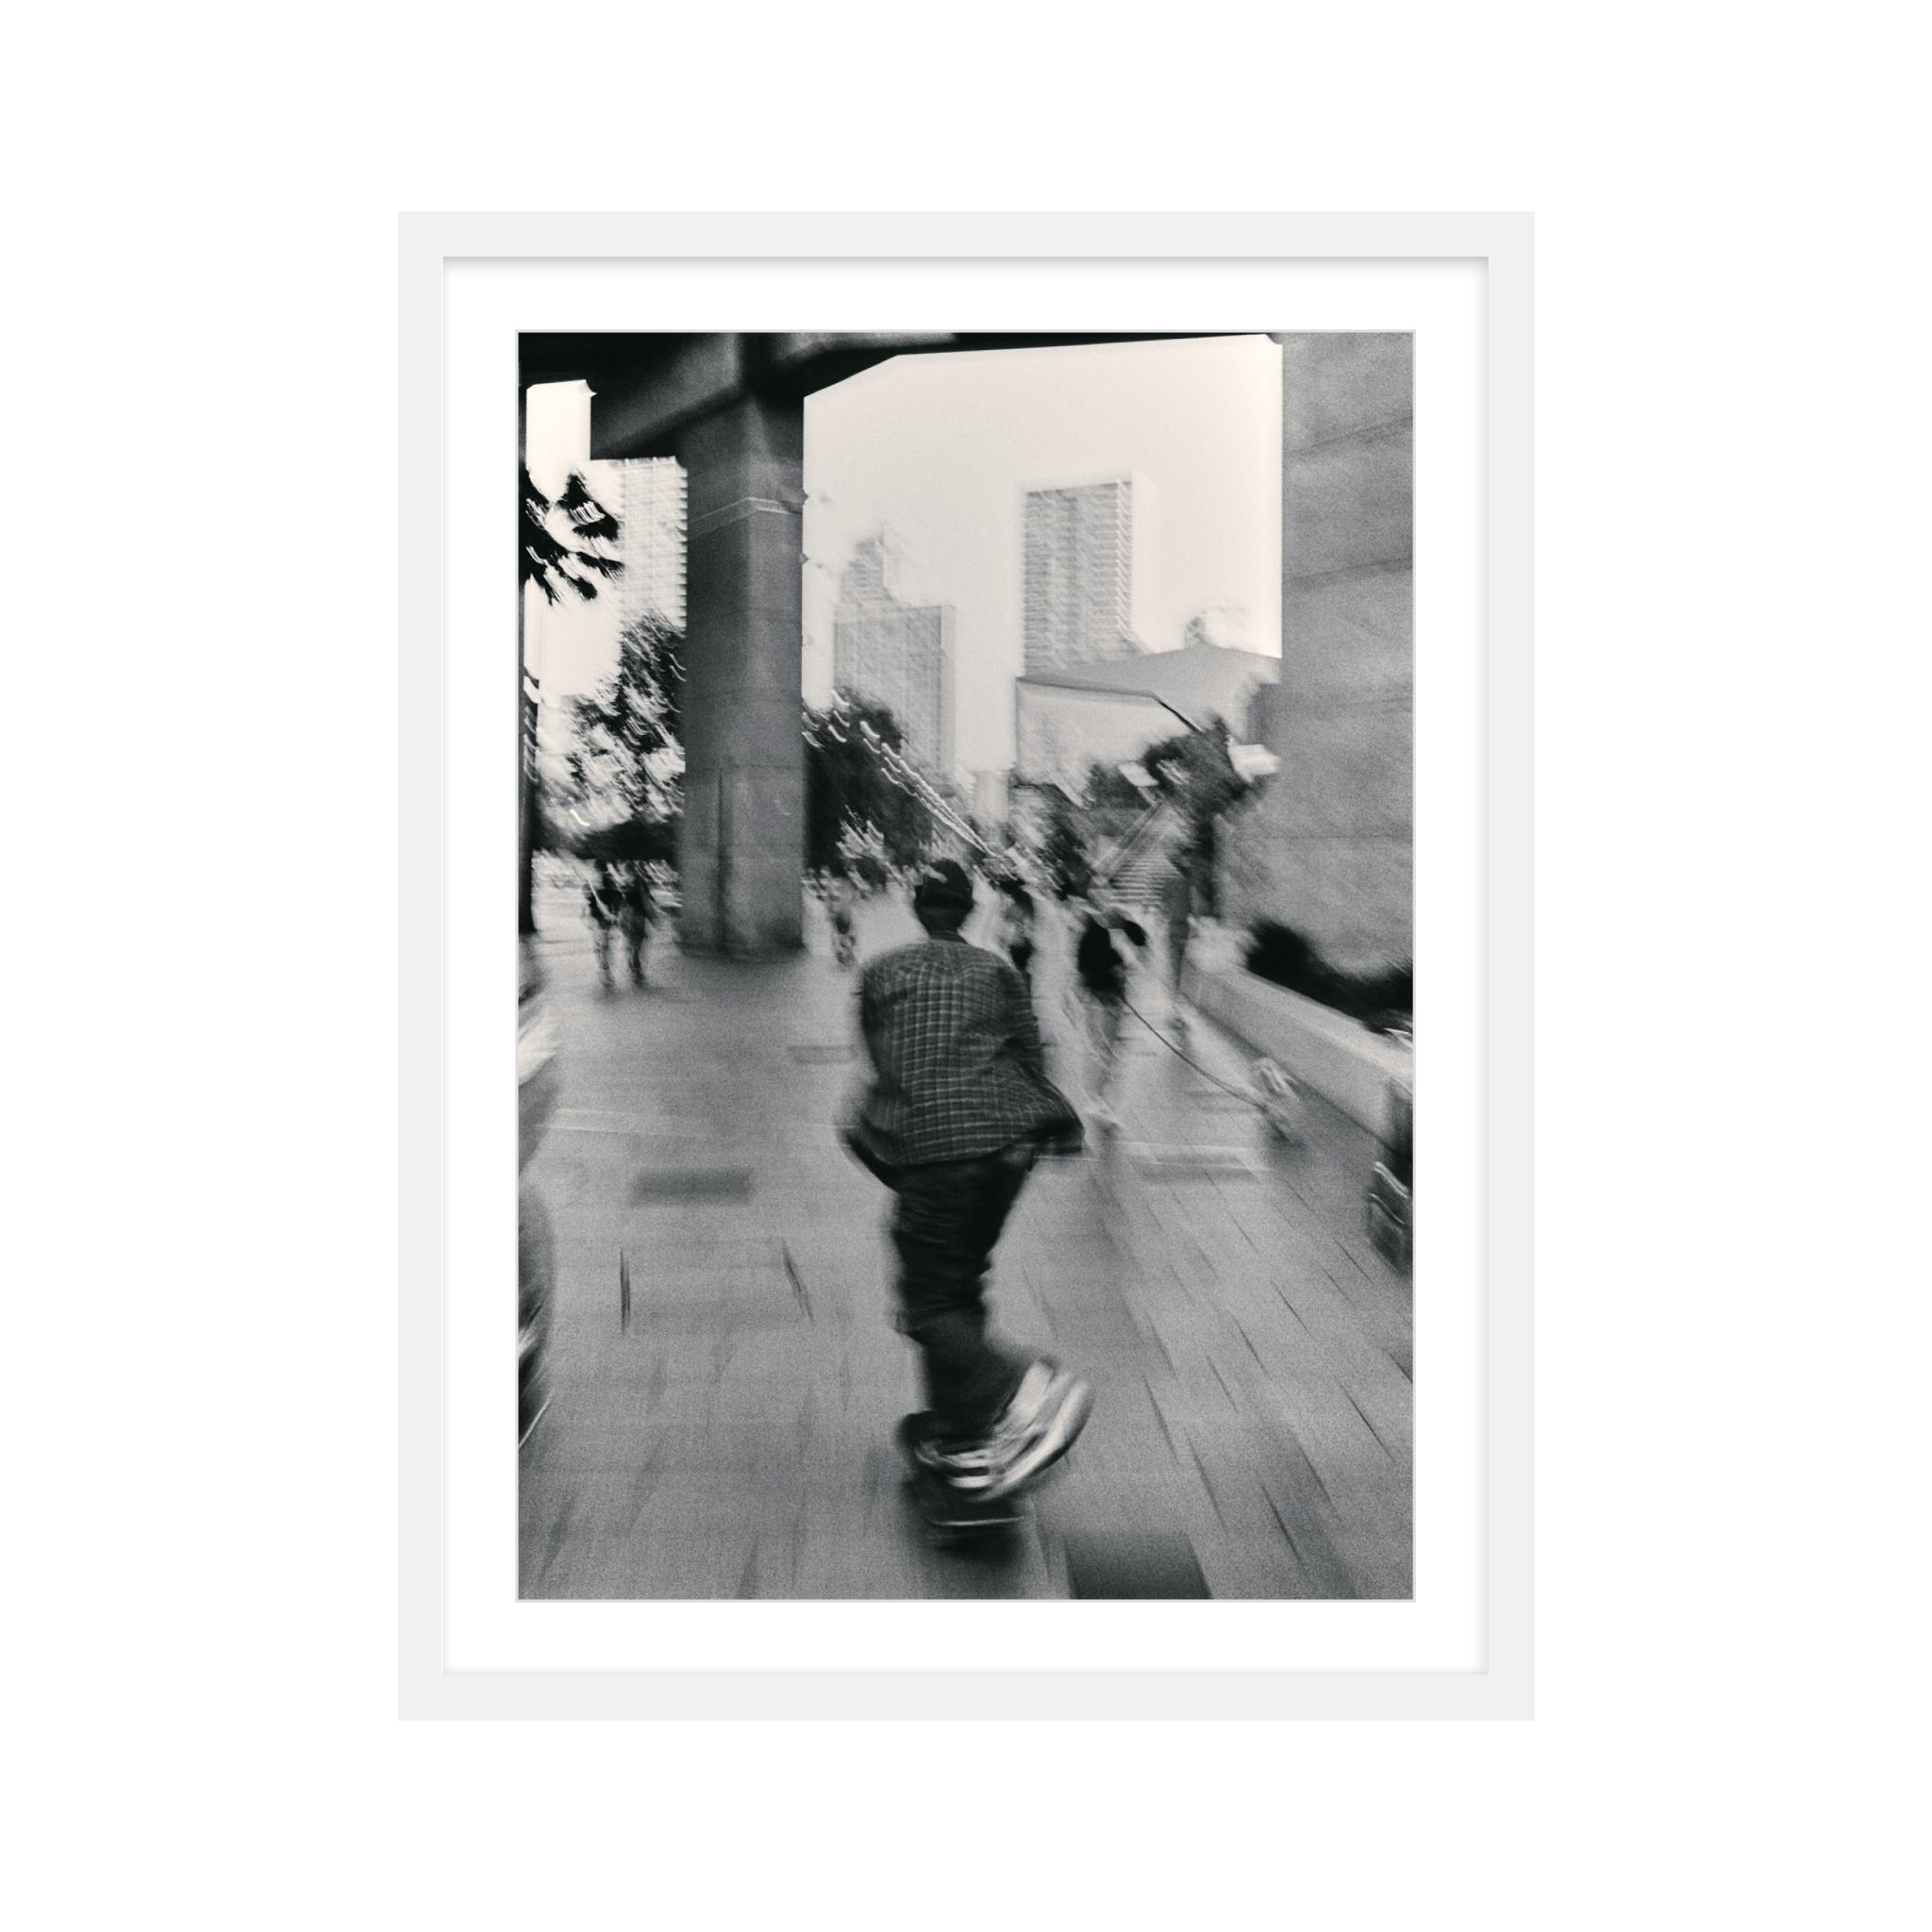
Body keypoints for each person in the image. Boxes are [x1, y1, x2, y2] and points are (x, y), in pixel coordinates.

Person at [844, 858, 1092, 1504]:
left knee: (929, 1301)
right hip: (1009, 1148)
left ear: (917, 906)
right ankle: (963, 1442)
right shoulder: (998, 971)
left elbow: (883, 1068)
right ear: (970, 908)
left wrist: (883, 1143)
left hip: (938, 1147)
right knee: (959, 1287)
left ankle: (1027, 1390)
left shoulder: (880, 974)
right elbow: (1032, 1059)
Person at [1072, 898, 1149, 1132]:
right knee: (1104, 1049)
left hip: (1106, 999)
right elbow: (1086, 967)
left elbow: (1082, 967)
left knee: (1103, 1049)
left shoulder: (1099, 934)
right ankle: (1099, 1099)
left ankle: (1100, 1099)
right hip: (1106, 998)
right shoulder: (1099, 935)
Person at [1157, 846, 1197, 1031]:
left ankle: (1177, 1012)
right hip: (1177, 930)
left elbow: (1165, 907)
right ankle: (1176, 1013)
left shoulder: (1185, 882)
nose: (1188, 862)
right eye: (1186, 859)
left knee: (1178, 974)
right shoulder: (1179, 882)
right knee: (1177, 973)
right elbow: (1165, 907)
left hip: (1181, 930)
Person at [994, 874, 1038, 987]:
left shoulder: (1015, 908)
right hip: (1025, 946)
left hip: (1016, 945)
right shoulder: (1030, 905)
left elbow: (1006, 921)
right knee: (1022, 972)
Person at [584, 861, 621, 986]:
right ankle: (605, 969)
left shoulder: (603, 882)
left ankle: (605, 970)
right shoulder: (597, 883)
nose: (597, 873)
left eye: (597, 870)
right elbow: (617, 898)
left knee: (603, 945)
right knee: (603, 945)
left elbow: (617, 898)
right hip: (601, 918)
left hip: (601, 918)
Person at [619, 864, 653, 987]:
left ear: (628, 871)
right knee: (638, 943)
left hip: (628, 916)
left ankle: (633, 964)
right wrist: (653, 918)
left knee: (631, 942)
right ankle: (636, 968)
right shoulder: (641, 882)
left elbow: (621, 902)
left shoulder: (624, 884)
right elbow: (647, 901)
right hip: (639, 916)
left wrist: (620, 917)